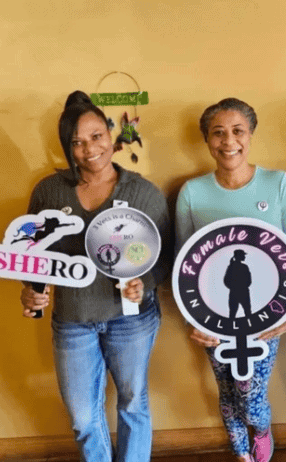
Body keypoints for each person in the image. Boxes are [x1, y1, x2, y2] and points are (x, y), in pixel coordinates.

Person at [19, 90, 171, 462]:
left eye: (96, 137)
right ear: (67, 149)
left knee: (133, 404)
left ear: (110, 133)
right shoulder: (49, 192)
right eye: (77, 142)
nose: (90, 150)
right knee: (84, 417)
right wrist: (31, 292)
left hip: (130, 320)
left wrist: (143, 283)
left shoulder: (142, 192)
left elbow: (165, 258)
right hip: (73, 320)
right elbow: (30, 255)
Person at [175, 98, 286, 462]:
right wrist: (192, 320)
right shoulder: (192, 192)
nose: (228, 141)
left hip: (267, 316)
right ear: (206, 140)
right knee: (228, 393)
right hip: (212, 317)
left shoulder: (278, 184)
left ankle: (261, 431)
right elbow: (184, 265)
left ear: (250, 135)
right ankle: (244, 456)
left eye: (237, 131)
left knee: (250, 396)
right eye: (217, 133)